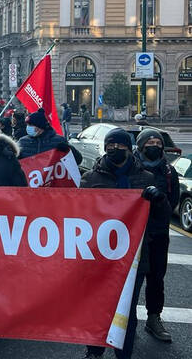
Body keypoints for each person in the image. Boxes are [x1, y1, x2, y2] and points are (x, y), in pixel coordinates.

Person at [81, 128, 164, 359]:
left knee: (126, 312)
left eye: (119, 145)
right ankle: (94, 351)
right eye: (110, 145)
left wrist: (158, 200)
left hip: (134, 257)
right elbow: (77, 216)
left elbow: (160, 218)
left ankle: (123, 354)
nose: (114, 149)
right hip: (99, 255)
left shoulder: (146, 178)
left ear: (129, 148)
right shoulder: (91, 179)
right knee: (97, 306)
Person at [134, 129, 178, 342]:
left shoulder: (169, 171)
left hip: (158, 233)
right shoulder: (132, 168)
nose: (154, 145)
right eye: (150, 142)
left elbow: (173, 202)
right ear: (141, 145)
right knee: (130, 280)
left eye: (158, 142)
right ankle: (127, 321)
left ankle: (153, 318)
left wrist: (160, 200)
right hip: (133, 233)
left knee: (156, 279)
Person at [17, 108, 82, 164]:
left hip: (52, 178)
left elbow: (78, 160)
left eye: (31, 125)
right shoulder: (23, 142)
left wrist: (69, 149)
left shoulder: (58, 141)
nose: (28, 127)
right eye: (27, 124)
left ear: (40, 127)